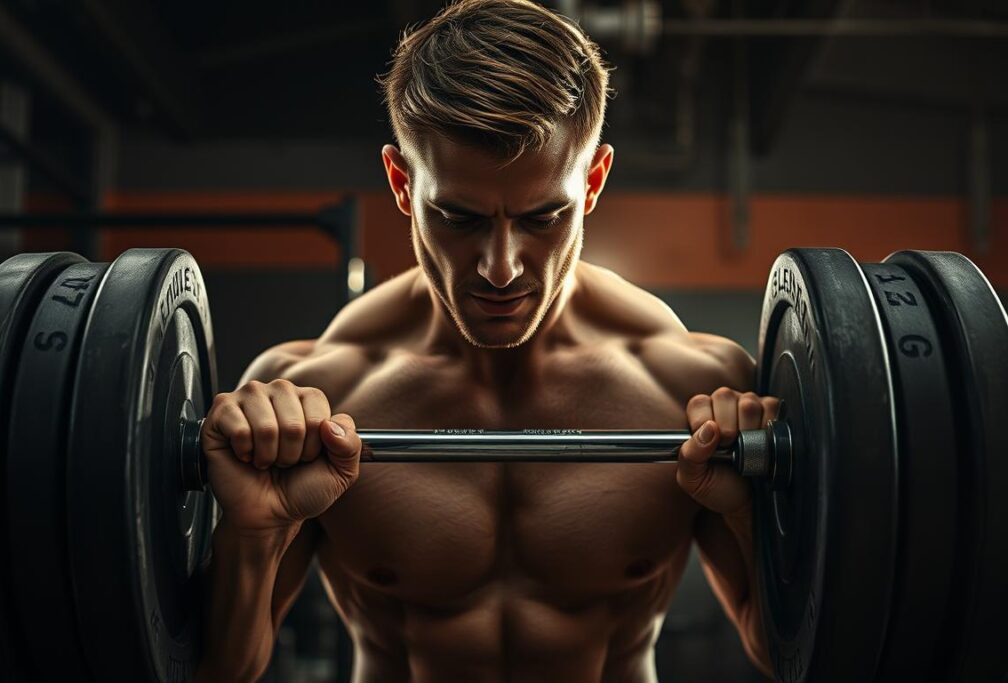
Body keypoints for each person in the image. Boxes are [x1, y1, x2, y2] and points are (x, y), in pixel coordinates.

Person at [196, 1, 777, 680]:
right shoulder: (322, 388)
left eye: (543, 216)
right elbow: (219, 674)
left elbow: (779, 649)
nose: (500, 267)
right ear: (402, 184)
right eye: (458, 217)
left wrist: (744, 516)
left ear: (591, 183)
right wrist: (253, 532)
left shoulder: (688, 385)